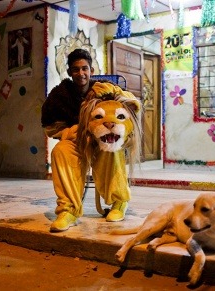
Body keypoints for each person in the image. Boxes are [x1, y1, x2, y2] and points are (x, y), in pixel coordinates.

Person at [41, 48, 139, 232]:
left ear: (91, 70)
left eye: (84, 68)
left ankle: (119, 201)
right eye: (76, 69)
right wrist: (70, 131)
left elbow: (133, 104)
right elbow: (49, 126)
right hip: (77, 140)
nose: (81, 73)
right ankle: (68, 210)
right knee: (60, 151)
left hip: (102, 138)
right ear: (70, 72)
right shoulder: (59, 95)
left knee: (111, 146)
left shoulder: (103, 87)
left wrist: (116, 91)